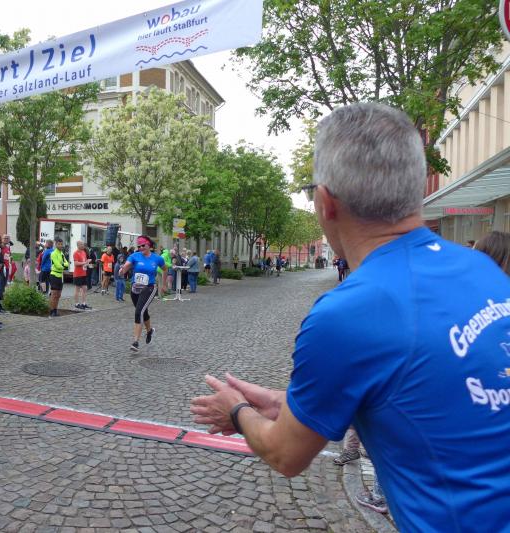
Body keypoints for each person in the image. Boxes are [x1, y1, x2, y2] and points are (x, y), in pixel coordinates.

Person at [189, 102, 510, 532]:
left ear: (326, 203)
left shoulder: (348, 313)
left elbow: (286, 455)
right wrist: (286, 403)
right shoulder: (482, 268)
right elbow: (428, 391)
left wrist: (237, 410)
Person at [120, 235, 165, 352]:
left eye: (143, 245)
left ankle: (135, 342)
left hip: (149, 288)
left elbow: (165, 269)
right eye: (139, 246)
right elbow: (127, 265)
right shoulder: (135, 256)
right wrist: (122, 270)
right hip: (135, 288)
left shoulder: (157, 258)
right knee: (143, 312)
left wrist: (164, 284)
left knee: (138, 312)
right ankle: (149, 330)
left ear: (149, 245)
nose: (140, 248)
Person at [48, 237, 69, 317]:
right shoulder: (53, 253)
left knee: (58, 295)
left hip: (60, 276)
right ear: (55, 244)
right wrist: (63, 265)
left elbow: (67, 264)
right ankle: (52, 311)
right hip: (54, 275)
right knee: (54, 294)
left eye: (61, 244)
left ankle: (55, 310)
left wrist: (63, 265)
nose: (60, 245)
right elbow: (58, 265)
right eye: (59, 244)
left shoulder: (61, 253)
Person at [72, 240, 90, 310]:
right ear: (78, 245)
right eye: (82, 244)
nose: (83, 246)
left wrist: (87, 263)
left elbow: (84, 262)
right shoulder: (75, 253)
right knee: (77, 289)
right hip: (78, 274)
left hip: (83, 273)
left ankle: (84, 303)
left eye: (83, 244)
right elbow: (76, 263)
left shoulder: (84, 252)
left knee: (85, 288)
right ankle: (76, 304)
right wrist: (84, 263)